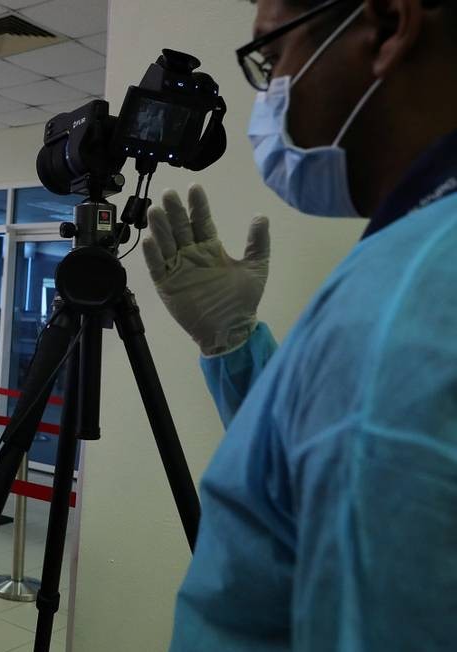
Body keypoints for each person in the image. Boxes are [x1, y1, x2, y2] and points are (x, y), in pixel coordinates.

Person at [140, 1, 457, 648]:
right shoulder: (422, 262)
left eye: (272, 56)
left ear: (388, 29)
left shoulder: (402, 308)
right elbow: (319, 480)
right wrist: (235, 345)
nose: (270, 93)